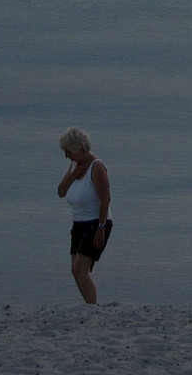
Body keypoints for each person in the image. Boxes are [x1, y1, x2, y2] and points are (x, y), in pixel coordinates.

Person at [56, 127, 112, 304]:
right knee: (75, 269)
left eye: (69, 152)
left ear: (80, 149)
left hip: (96, 223)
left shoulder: (97, 166)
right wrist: (74, 174)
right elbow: (61, 192)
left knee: (81, 268)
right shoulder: (75, 165)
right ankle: (89, 305)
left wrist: (101, 228)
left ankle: (93, 308)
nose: (67, 156)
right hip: (78, 223)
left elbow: (105, 199)